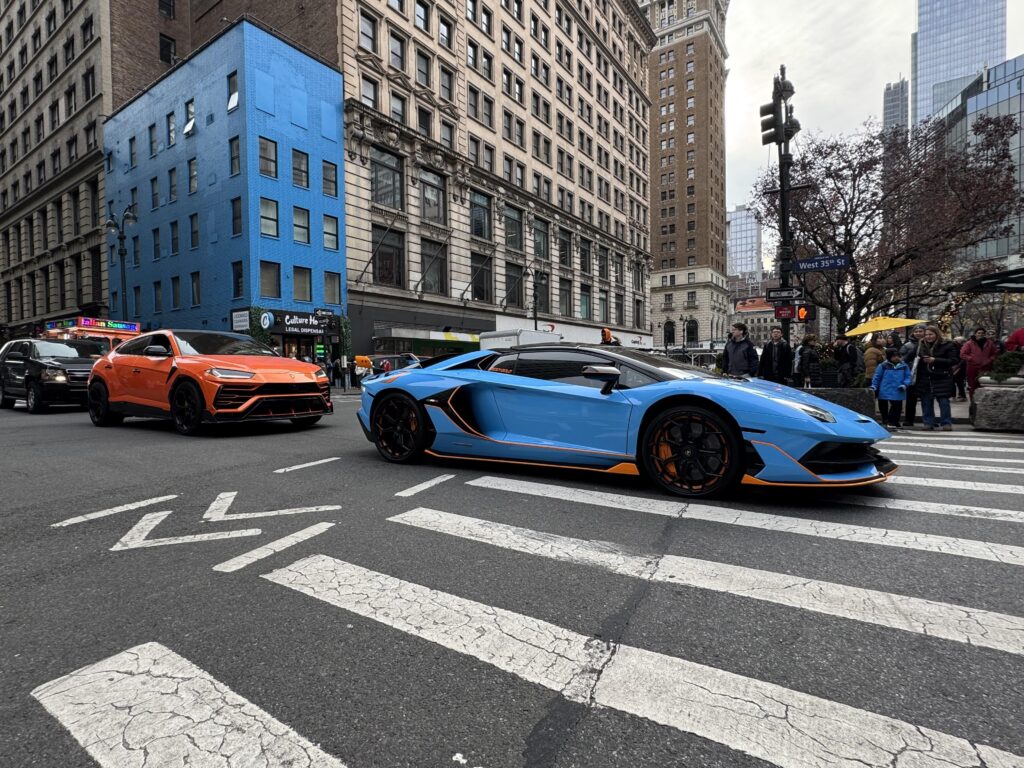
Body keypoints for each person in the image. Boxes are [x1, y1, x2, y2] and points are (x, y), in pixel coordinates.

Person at [906, 325, 958, 431]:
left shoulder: (947, 345)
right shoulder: (921, 345)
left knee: (943, 401)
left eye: (930, 334)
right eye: (926, 335)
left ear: (936, 334)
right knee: (926, 401)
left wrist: (935, 360)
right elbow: (908, 357)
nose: (928, 337)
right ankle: (928, 423)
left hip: (942, 377)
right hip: (925, 377)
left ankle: (946, 423)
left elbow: (953, 360)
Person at [871, 348, 912, 430]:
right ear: (889, 357)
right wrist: (874, 386)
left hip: (898, 388)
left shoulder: (904, 366)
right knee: (884, 406)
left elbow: (908, 377)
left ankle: (893, 421)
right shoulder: (883, 366)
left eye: (898, 356)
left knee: (897, 407)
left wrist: (905, 384)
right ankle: (886, 421)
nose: (896, 358)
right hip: (885, 388)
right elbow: (877, 377)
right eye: (894, 356)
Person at [959, 327, 998, 400]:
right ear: (975, 334)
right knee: (973, 385)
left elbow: (994, 353)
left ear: (985, 334)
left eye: (982, 333)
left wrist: (990, 360)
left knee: (985, 385)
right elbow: (963, 354)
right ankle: (973, 402)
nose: (980, 335)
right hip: (972, 367)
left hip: (986, 367)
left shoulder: (989, 343)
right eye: (979, 333)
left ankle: (983, 401)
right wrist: (971, 359)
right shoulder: (969, 343)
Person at [899, 324, 927, 427]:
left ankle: (927, 419)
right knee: (911, 399)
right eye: (916, 331)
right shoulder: (907, 345)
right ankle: (909, 419)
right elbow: (903, 359)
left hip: (925, 374)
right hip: (911, 373)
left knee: (926, 399)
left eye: (921, 331)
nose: (918, 333)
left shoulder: (929, 343)